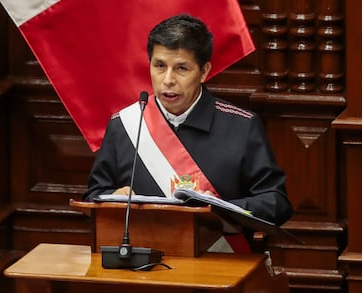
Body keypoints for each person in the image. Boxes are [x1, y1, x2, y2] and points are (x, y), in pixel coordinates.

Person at [84, 14, 292, 241]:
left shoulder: (241, 125)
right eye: (160, 66)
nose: (168, 80)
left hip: (218, 264)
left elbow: (276, 202)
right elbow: (93, 197)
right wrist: (112, 198)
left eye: (181, 68)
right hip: (141, 263)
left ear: (204, 71)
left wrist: (219, 210)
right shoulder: (125, 125)